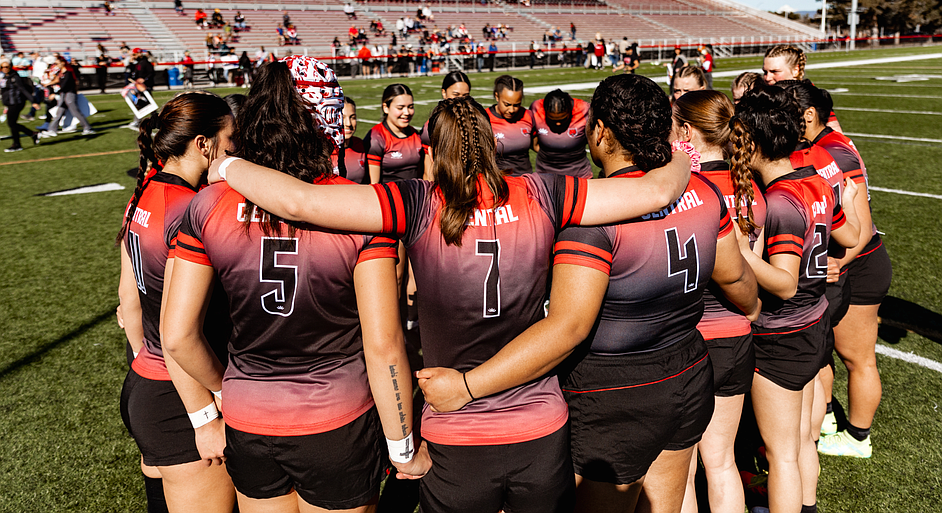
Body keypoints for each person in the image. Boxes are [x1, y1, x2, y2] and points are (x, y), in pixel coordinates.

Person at [202, 93, 693, 513]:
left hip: (453, 428)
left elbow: (299, 203)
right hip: (540, 423)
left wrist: (226, 164)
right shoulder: (542, 191)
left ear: (431, 153)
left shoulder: (415, 202)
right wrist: (679, 153)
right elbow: (654, 192)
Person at [412, 75, 756, 513]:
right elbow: (738, 281)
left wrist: (467, 386)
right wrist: (758, 307)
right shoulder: (702, 190)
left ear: (600, 133)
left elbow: (569, 326)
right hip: (687, 367)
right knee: (666, 500)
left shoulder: (592, 219)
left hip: (615, 386)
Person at [163, 57, 430, 513]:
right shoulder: (357, 209)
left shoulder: (207, 204)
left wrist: (228, 391)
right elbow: (383, 345)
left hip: (249, 418)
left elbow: (177, 335)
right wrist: (403, 445)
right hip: (337, 418)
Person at [729, 83, 860, 513]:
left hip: (784, 332)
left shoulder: (781, 201)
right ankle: (807, 506)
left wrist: (740, 252)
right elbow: (848, 234)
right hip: (816, 320)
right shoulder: (813, 179)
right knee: (804, 439)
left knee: (781, 452)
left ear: (753, 143)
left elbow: (784, 282)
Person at [115, 91, 236, 513]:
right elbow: (177, 335)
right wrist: (213, 405)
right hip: (182, 396)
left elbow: (127, 300)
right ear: (204, 144)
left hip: (143, 383)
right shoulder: (191, 208)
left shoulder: (144, 194)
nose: (234, 148)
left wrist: (142, 363)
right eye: (230, 138)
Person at [785, 82, 891, 459]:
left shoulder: (831, 151)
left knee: (857, 357)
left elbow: (860, 225)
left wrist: (840, 261)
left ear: (808, 115)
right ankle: (826, 416)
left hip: (858, 264)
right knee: (823, 352)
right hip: (840, 261)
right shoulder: (824, 143)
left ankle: (858, 437)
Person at [672, 90, 767, 513]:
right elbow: (753, 272)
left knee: (684, 470)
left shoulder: (683, 192)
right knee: (723, 461)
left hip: (689, 341)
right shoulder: (750, 189)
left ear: (687, 131)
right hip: (735, 336)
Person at [763, 44, 843, 133]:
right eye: (765, 72)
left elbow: (837, 136)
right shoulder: (766, 95)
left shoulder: (813, 97)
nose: (767, 78)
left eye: (775, 72)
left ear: (795, 70)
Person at [365, 84, 423, 183]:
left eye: (410, 107)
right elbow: (373, 184)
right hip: (389, 196)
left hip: (415, 195)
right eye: (400, 108)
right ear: (386, 108)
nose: (407, 112)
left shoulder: (415, 134)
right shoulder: (376, 137)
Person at [530, 89, 591, 178]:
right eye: (552, 120)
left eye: (563, 119)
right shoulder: (536, 108)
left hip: (579, 175)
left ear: (570, 110)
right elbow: (529, 134)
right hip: (545, 176)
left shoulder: (584, 109)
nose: (558, 124)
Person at [419, 71, 471, 174]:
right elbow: (429, 171)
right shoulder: (432, 125)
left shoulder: (474, 120)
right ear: (444, 92)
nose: (460, 100)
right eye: (455, 94)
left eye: (465, 96)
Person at [487, 75, 533, 175]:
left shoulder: (528, 116)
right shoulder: (485, 119)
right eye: (507, 104)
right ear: (496, 96)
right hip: (498, 182)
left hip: (525, 182)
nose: (512, 110)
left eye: (516, 105)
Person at [40, 55, 94, 137]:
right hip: (63, 94)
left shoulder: (68, 72)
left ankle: (87, 128)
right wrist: (48, 83)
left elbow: (65, 85)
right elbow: (57, 80)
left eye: (58, 63)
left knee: (75, 112)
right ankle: (52, 130)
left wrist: (55, 93)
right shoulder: (61, 73)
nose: (56, 65)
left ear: (63, 63)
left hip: (69, 94)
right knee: (59, 113)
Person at [1, 60, 40, 152]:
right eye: (2, 67)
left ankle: (17, 144)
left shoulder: (15, 77)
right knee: (12, 123)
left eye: (6, 67)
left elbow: (22, 89)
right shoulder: (5, 77)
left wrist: (33, 101)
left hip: (16, 102)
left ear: (10, 67)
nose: (4, 69)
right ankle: (32, 134)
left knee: (11, 123)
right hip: (10, 103)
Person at [332, 96, 368, 184]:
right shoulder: (321, 151)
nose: (348, 123)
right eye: (342, 117)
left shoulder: (361, 145)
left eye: (352, 117)